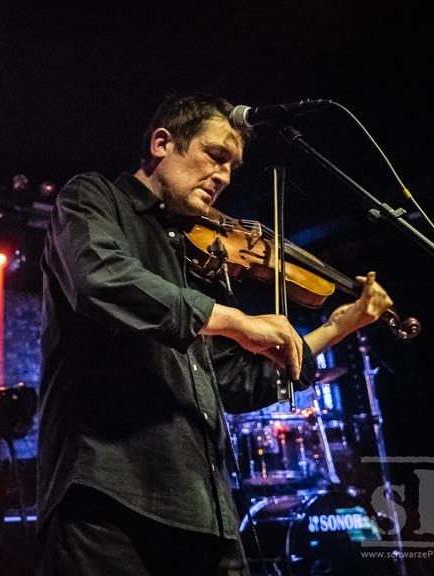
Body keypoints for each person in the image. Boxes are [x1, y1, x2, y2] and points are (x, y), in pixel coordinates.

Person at [37, 92, 394, 575]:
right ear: (162, 143)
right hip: (107, 500)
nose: (224, 176)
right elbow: (98, 278)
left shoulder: (196, 253)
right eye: (215, 155)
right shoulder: (91, 198)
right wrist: (234, 320)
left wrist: (338, 326)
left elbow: (234, 382)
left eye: (232, 167)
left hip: (203, 510)